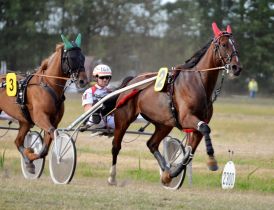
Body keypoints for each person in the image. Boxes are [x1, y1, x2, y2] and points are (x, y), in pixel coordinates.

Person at [81, 64, 115, 130]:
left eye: (107, 77)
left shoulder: (111, 91)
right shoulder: (89, 92)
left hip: (112, 118)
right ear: (96, 78)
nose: (105, 80)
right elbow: (88, 111)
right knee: (96, 115)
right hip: (97, 119)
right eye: (102, 77)